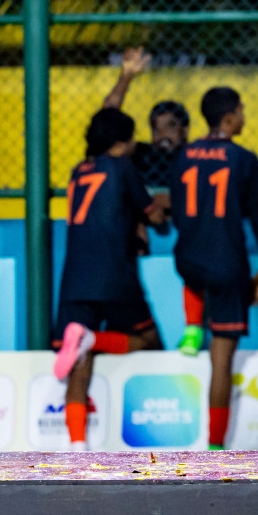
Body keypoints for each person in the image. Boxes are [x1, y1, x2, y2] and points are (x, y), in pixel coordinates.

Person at [167, 86, 258, 451]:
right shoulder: (244, 159)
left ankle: (191, 328)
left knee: (200, 275)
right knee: (221, 360)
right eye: (242, 109)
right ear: (231, 116)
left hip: (186, 259)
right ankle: (215, 447)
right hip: (225, 265)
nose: (244, 116)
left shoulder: (183, 154)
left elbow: (177, 210)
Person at [51, 108, 167, 450]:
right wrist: (160, 204)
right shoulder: (123, 168)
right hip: (115, 272)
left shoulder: (78, 171)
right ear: (122, 141)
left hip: (74, 277)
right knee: (151, 343)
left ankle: (77, 449)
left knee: (78, 364)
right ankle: (93, 339)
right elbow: (154, 214)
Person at [99, 47, 189, 189]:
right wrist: (126, 76)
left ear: (184, 130)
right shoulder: (143, 155)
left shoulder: (193, 157)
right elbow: (107, 119)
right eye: (156, 128)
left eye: (170, 126)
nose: (162, 134)